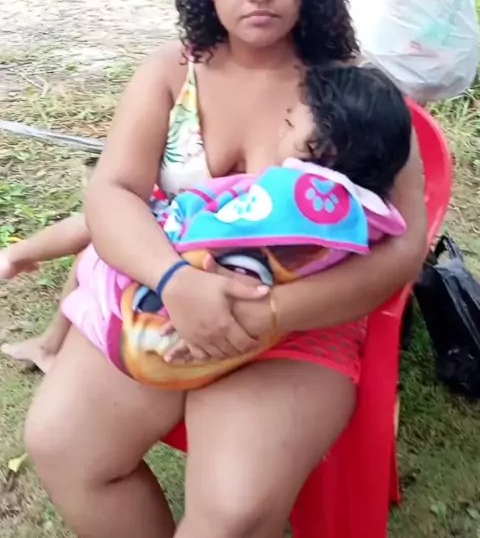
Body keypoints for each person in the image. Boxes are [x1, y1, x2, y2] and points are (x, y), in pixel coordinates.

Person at [23, 0, 426, 538]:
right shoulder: (172, 71)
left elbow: (405, 245)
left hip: (299, 324)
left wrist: (271, 313)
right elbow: (112, 192)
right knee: (63, 445)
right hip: (163, 304)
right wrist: (175, 282)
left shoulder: (355, 92)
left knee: (231, 515)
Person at [1, 63, 411, 389]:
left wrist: (176, 240)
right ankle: (34, 300)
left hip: (170, 314)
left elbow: (226, 248)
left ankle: (18, 260)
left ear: (323, 147)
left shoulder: (299, 198)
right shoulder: (348, 213)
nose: (280, 128)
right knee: (104, 228)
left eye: (289, 126)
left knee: (100, 237)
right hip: (198, 310)